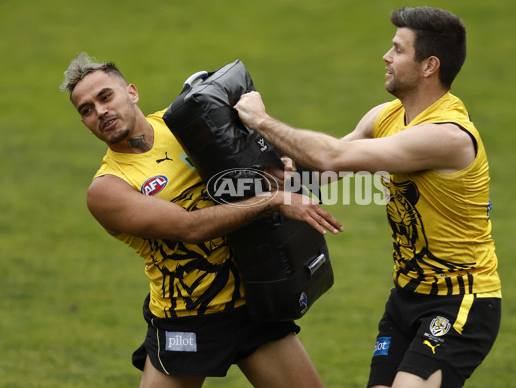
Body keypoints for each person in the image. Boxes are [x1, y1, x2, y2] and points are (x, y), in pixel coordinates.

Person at [234, 6, 501, 388]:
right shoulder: (384, 117)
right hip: (405, 297)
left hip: (461, 301)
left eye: (398, 49)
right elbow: (320, 171)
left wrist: (260, 120)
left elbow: (332, 155)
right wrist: (260, 169)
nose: (386, 57)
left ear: (429, 66)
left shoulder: (448, 136)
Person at [59, 52, 343, 388]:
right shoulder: (107, 189)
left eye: (105, 96)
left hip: (252, 301)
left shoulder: (182, 124)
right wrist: (274, 200)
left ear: (131, 92)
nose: (100, 111)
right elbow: (188, 228)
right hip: (187, 320)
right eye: (87, 110)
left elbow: (250, 170)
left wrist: (278, 173)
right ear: (84, 123)